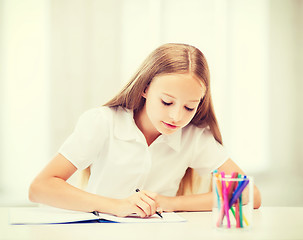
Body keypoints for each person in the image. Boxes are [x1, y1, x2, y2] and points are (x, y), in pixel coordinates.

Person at [29, 43, 261, 218]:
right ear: (145, 89)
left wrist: (169, 203)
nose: (177, 117)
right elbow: (40, 188)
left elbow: (251, 194)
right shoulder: (102, 122)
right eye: (167, 102)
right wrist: (117, 206)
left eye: (190, 107)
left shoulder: (194, 137)